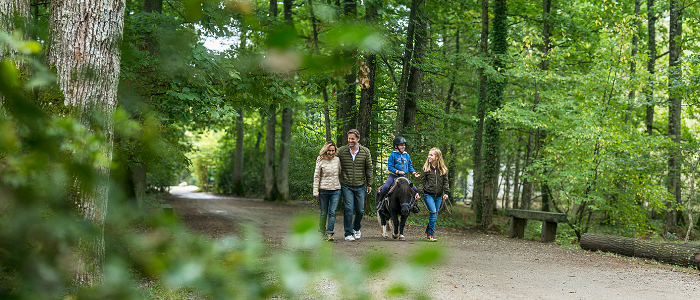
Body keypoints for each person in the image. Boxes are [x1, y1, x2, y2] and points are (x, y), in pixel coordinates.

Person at [335, 129, 373, 241]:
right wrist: (322, 156)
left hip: (360, 185)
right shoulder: (342, 150)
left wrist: (369, 184)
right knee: (348, 208)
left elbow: (369, 168)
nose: (350, 141)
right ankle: (348, 233)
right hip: (346, 185)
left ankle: (356, 228)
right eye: (349, 138)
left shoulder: (365, 152)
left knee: (360, 210)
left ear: (358, 139)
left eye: (352, 139)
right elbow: (331, 155)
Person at [375, 136, 420, 210]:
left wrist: (414, 173)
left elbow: (410, 166)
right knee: (386, 187)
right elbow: (390, 167)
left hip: (403, 177)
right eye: (401, 145)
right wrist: (398, 171)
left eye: (404, 145)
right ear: (396, 146)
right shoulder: (392, 155)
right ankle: (380, 203)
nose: (403, 146)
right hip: (393, 176)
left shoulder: (407, 155)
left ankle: (412, 205)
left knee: (414, 189)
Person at [418, 148, 450, 242]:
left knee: (435, 215)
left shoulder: (442, 169)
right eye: (429, 154)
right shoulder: (426, 169)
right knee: (433, 213)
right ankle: (431, 234)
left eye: (431, 155)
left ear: (437, 157)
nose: (429, 156)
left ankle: (428, 230)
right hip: (428, 195)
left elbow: (446, 182)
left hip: (439, 196)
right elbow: (422, 182)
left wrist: (446, 193)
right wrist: (419, 192)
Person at [313, 141, 342, 241]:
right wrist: (315, 191)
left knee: (332, 212)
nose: (331, 152)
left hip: (336, 190)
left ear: (335, 151)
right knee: (323, 213)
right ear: (325, 151)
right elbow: (316, 177)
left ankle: (329, 233)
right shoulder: (320, 161)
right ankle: (321, 232)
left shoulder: (337, 160)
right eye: (329, 150)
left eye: (332, 150)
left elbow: (340, 171)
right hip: (323, 190)